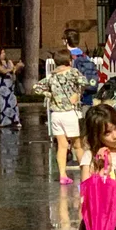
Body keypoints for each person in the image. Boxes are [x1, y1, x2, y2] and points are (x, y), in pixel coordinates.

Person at [33, 49, 88, 184]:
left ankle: (63, 175)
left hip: (56, 115)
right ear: (69, 60)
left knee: (62, 146)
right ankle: (85, 174)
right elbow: (84, 82)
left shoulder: (52, 76)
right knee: (77, 145)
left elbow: (36, 87)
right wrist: (77, 94)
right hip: (70, 113)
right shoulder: (73, 72)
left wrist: (50, 95)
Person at [62, 28, 99, 111]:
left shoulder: (67, 57)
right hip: (87, 92)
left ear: (66, 40)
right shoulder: (85, 56)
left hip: (73, 96)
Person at [0, 47, 23, 128]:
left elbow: (13, 71)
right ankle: (4, 121)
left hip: (10, 84)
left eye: (4, 52)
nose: (3, 54)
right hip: (3, 86)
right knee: (4, 103)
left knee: (13, 102)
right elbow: (3, 71)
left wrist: (17, 67)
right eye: (2, 53)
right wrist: (13, 68)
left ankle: (15, 120)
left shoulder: (9, 61)